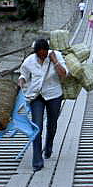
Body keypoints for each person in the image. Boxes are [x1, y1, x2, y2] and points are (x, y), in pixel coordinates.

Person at [18, 39, 68, 171]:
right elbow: (23, 74)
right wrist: (22, 81)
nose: (42, 56)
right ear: (35, 53)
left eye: (44, 54)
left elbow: (64, 74)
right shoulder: (29, 60)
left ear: (48, 51)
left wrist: (54, 61)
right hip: (36, 96)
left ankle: (49, 146)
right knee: (37, 127)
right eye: (39, 55)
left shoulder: (55, 55)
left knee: (52, 124)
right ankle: (37, 162)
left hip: (54, 95)